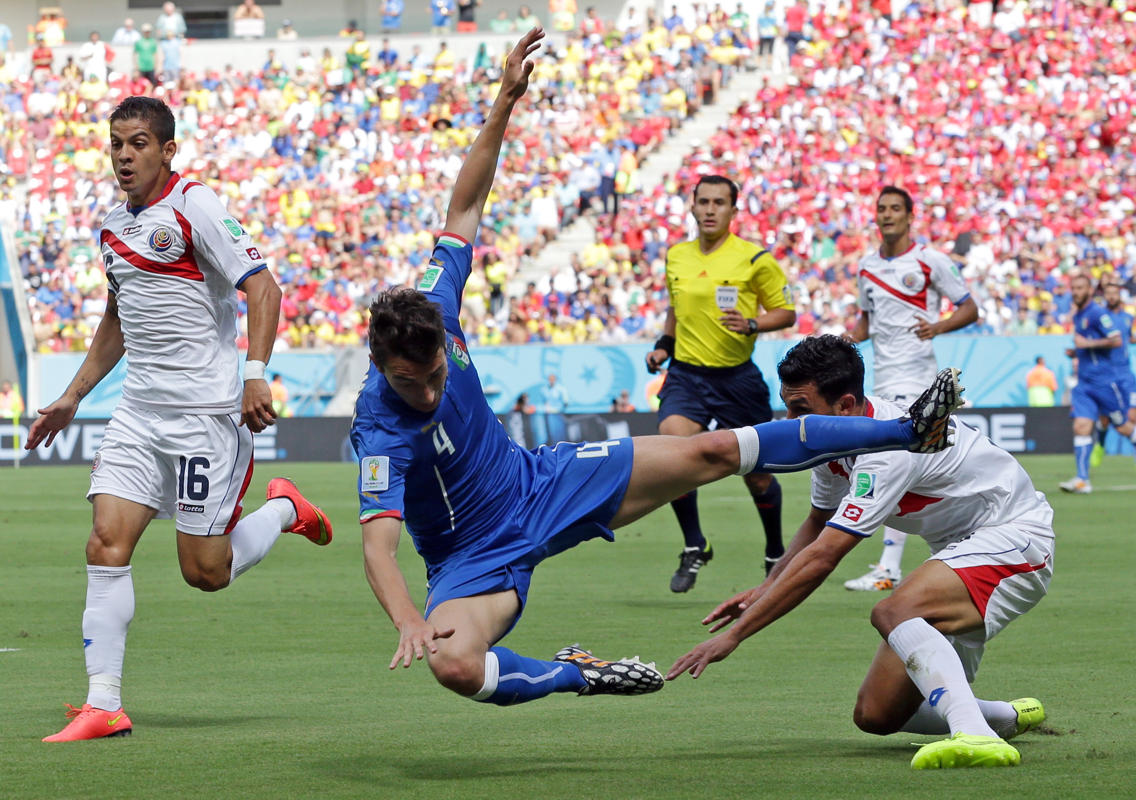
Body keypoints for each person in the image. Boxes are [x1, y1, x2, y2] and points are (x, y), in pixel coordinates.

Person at [350, 30, 965, 710]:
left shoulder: (438, 304)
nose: (432, 388)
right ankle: (580, 673)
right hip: (469, 556)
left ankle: (907, 431)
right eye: (414, 382)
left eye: (438, 369)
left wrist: (503, 101)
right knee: (455, 666)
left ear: (443, 340)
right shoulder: (379, 428)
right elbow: (379, 546)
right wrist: (408, 619)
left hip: (541, 481)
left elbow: (463, 208)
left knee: (710, 449)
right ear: (381, 366)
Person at [27, 96, 333, 743]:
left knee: (205, 572)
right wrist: (74, 394)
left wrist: (255, 372)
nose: (124, 156)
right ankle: (103, 703)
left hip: (206, 416)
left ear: (167, 151)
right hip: (139, 413)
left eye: (138, 144)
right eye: (116, 144)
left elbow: (264, 288)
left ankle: (284, 510)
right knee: (105, 543)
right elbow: (119, 320)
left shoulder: (197, 208)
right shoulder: (112, 227)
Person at [668, 335, 1051, 770]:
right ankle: (1007, 716)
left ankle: (976, 735)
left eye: (801, 410)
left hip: (1015, 541)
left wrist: (733, 636)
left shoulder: (888, 448)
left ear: (846, 405)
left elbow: (824, 556)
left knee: (892, 612)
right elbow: (817, 521)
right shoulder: (832, 444)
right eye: (786, 407)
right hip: (958, 553)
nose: (790, 422)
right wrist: (767, 586)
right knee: (877, 715)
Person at [645, 174, 796, 593]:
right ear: (692, 207)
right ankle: (695, 544)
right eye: (703, 202)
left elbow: (786, 313)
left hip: (737, 381)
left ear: (734, 210)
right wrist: (663, 345)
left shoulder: (753, 258)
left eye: (719, 203)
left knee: (758, 476)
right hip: (687, 375)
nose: (710, 209)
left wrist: (752, 323)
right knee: (673, 456)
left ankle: (774, 552)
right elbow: (676, 309)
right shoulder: (677, 255)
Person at [841, 186, 977, 592]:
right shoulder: (867, 267)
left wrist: (938, 326)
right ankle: (957, 546)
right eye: (881, 209)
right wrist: (843, 342)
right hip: (881, 377)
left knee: (889, 461)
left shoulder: (929, 260)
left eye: (895, 209)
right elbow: (867, 325)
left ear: (909, 216)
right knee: (912, 468)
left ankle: (888, 567)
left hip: (917, 378)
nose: (887, 215)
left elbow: (969, 307)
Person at [1059, 273, 1136, 494]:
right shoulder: (1079, 315)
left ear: (1090, 290)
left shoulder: (1097, 313)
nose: (1075, 292)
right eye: (1073, 288)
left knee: (1123, 427)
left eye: (1080, 288)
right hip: (1084, 383)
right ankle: (1083, 480)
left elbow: (1116, 339)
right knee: (1081, 427)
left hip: (1104, 382)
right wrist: (1078, 351)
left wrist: (1086, 343)